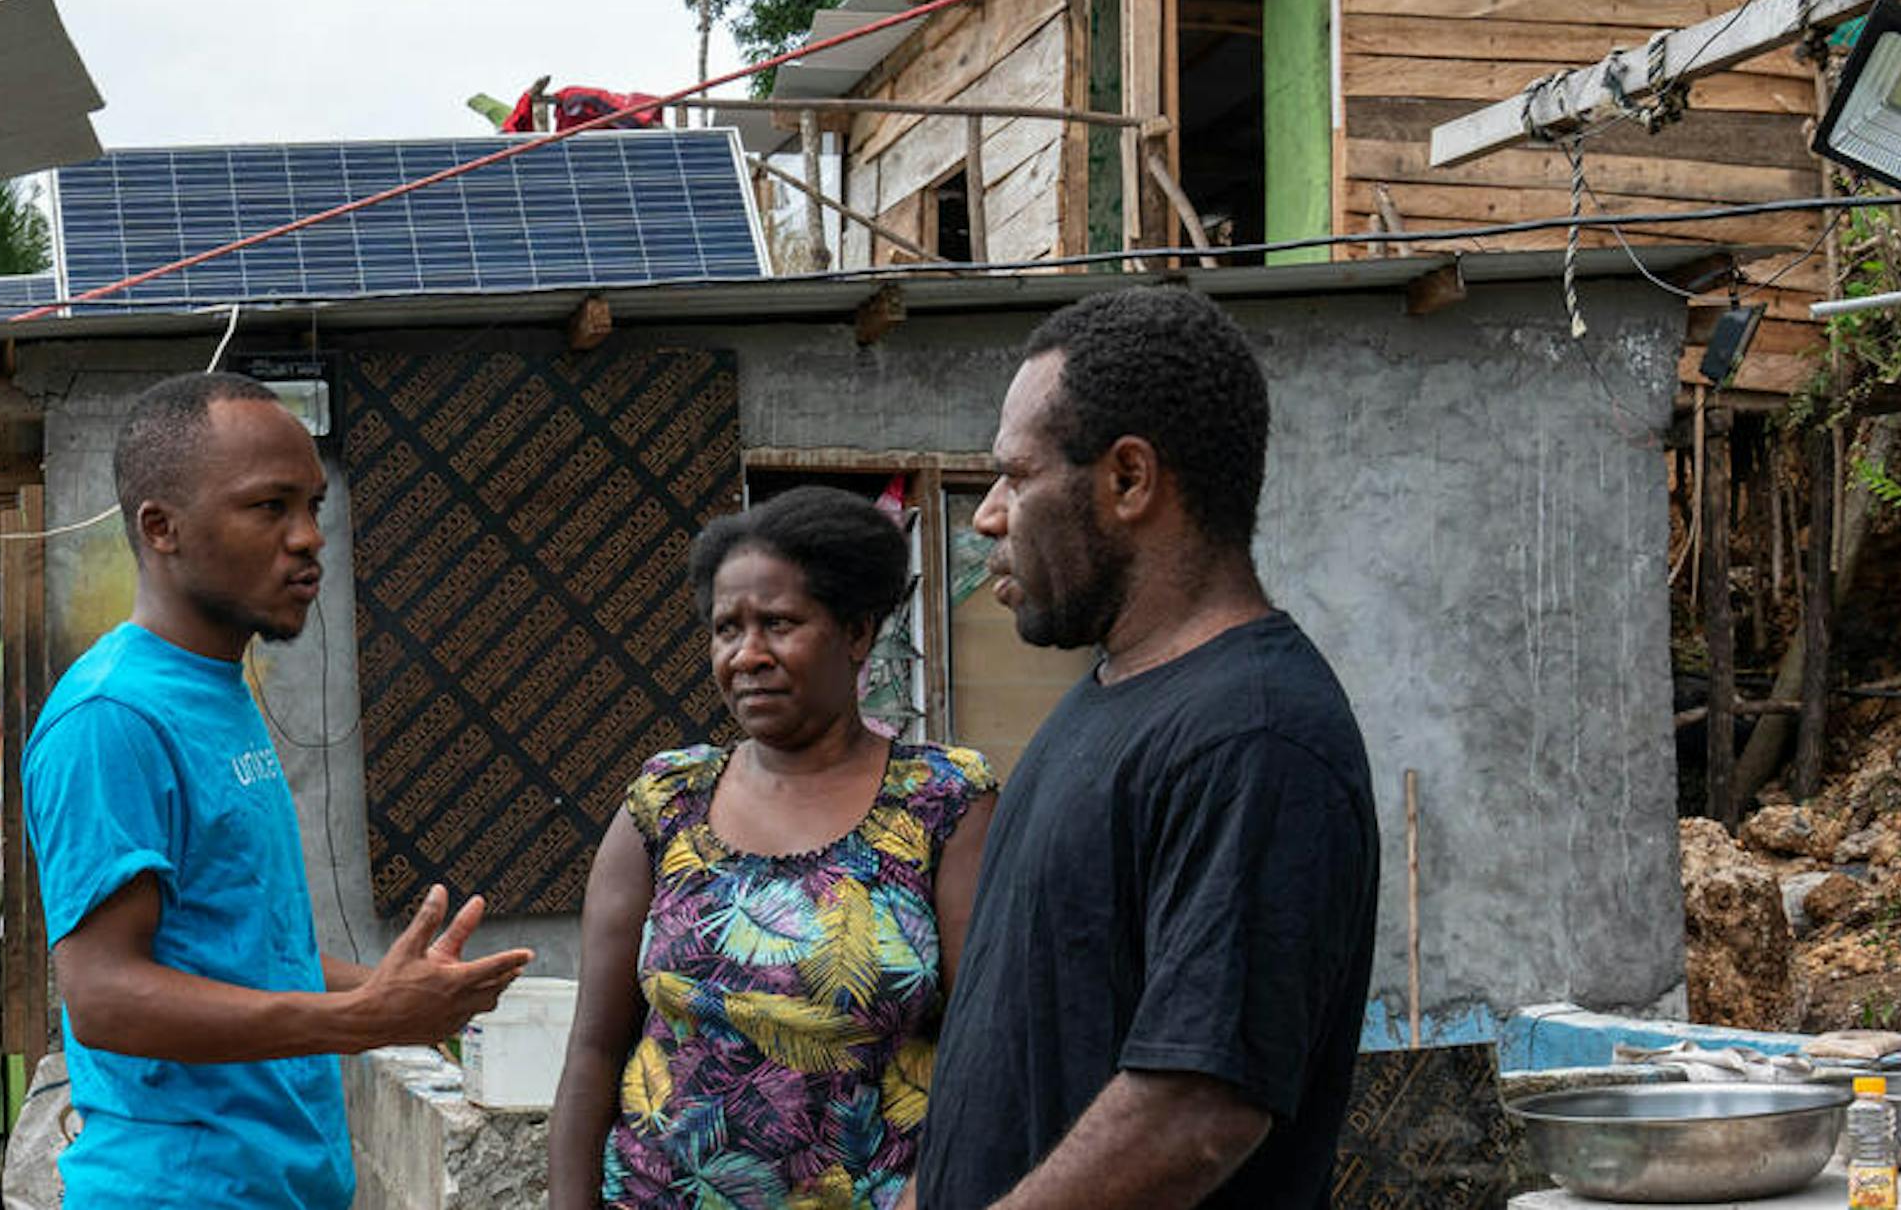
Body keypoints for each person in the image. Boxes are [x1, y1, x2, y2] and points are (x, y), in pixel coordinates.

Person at [914, 288, 1379, 1209]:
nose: (987, 516)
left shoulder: (1254, 739)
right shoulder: (1108, 698)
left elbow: (1196, 1111)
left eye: (1016, 474)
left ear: (1129, 479)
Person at [26, 372, 534, 1210]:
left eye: (313, 507)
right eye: (269, 508)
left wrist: (389, 990)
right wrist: (363, 1021)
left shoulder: (216, 688)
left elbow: (248, 950)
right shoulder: (113, 717)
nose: (308, 539)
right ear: (163, 528)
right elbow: (105, 996)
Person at [550, 485, 1001, 1210]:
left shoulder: (942, 805)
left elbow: (987, 1053)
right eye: (727, 629)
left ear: (856, 633)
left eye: (779, 624)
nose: (748, 654)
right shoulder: (667, 802)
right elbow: (594, 1051)